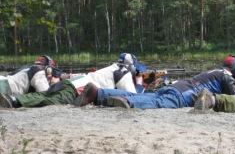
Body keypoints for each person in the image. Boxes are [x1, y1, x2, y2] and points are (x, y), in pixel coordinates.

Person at [74, 55, 235, 109]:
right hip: (184, 96)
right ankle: (127, 102)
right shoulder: (227, 77)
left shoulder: (216, 71)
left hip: (177, 87)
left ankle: (99, 93)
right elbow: (234, 101)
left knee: (152, 96)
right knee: (155, 103)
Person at [0, 53, 143, 108]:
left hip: (75, 81)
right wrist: (140, 84)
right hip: (79, 88)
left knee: (44, 96)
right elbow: (133, 97)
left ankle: (13, 99)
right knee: (51, 102)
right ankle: (14, 101)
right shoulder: (122, 72)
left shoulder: (110, 69)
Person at [0, 55, 66, 95]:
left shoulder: (27, 69)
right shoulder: (38, 72)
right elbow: (45, 94)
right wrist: (53, 83)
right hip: (5, 86)